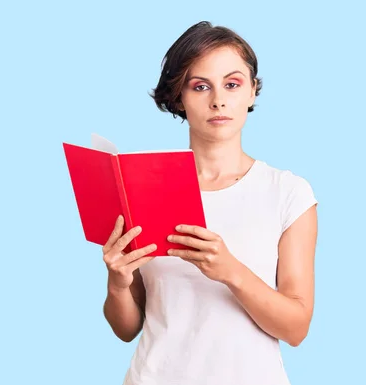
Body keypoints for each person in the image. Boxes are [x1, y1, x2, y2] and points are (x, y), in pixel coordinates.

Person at [101, 21, 318, 385]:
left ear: (252, 92)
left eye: (232, 84)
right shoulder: (140, 187)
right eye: (200, 86)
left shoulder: (288, 193)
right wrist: (117, 285)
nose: (218, 99)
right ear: (178, 98)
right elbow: (127, 329)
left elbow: (296, 328)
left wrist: (230, 270)